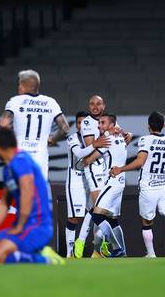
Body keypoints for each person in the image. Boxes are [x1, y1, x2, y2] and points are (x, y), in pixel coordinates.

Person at [0, 128, 63, 265]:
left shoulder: (21, 160)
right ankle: (29, 254)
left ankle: (46, 259)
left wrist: (20, 225)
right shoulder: (8, 169)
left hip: (37, 226)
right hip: (21, 226)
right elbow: (4, 203)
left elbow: (27, 190)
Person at [110, 111, 165, 258]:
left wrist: (120, 169)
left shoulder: (146, 140)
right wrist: (163, 172)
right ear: (163, 126)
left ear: (148, 126)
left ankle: (151, 253)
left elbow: (140, 162)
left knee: (147, 222)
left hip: (149, 188)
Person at [74, 96, 131, 258]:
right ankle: (104, 248)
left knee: (97, 213)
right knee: (109, 217)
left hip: (109, 177)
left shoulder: (110, 135)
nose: (95, 106)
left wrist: (127, 134)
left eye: (98, 103)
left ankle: (99, 246)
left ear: (104, 106)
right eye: (91, 103)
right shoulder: (89, 123)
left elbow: (93, 153)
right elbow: (92, 144)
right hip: (104, 175)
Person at [0, 69, 69, 179]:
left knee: (20, 189)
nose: (19, 87)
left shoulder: (15, 101)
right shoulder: (50, 102)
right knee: (39, 191)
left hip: (20, 153)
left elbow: (4, 123)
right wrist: (53, 139)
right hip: (40, 155)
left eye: (19, 84)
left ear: (23, 86)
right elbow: (65, 128)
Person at [64, 111, 110, 258]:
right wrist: (95, 145)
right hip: (76, 180)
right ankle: (70, 253)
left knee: (97, 211)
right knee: (74, 218)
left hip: (91, 176)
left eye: (84, 123)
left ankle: (96, 248)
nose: (81, 126)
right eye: (78, 123)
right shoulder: (73, 138)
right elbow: (79, 153)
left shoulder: (96, 137)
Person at [83, 113, 127, 257]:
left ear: (111, 125)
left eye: (103, 123)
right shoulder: (120, 137)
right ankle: (123, 251)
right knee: (112, 219)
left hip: (111, 183)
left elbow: (89, 159)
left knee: (96, 215)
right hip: (120, 182)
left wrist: (83, 159)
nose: (99, 125)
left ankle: (117, 248)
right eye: (99, 123)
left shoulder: (107, 139)